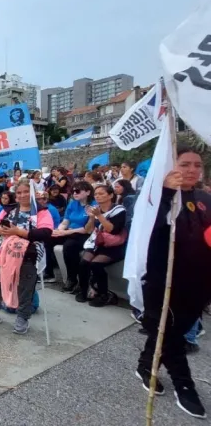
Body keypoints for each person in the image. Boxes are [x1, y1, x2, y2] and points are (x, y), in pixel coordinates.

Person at [137, 147, 211, 419]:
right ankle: (185, 386)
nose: (192, 170)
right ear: (171, 165)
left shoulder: (205, 198)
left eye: (197, 165)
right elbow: (149, 233)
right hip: (163, 282)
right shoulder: (155, 197)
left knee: (168, 332)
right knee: (171, 336)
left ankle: (145, 365)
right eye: (185, 164)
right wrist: (167, 193)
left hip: (199, 283)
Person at [0, 179, 53, 334]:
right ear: (15, 195)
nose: (22, 195)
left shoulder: (42, 212)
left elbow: (45, 233)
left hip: (29, 255)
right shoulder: (9, 209)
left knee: (25, 288)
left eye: (25, 192)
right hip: (5, 254)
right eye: (19, 192)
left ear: (33, 193)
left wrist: (19, 232)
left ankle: (23, 318)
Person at [75, 184, 126, 306]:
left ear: (111, 195)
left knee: (96, 264)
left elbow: (113, 230)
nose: (98, 196)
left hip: (113, 245)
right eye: (96, 194)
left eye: (101, 193)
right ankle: (84, 290)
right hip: (97, 243)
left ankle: (104, 295)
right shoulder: (95, 209)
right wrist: (92, 218)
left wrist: (99, 216)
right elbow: (88, 230)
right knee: (83, 262)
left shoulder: (119, 210)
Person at [50, 181, 95, 292]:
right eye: (73, 191)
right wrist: (59, 230)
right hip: (70, 232)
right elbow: (65, 222)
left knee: (69, 246)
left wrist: (65, 233)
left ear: (88, 192)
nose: (75, 193)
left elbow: (87, 229)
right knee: (48, 238)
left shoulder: (93, 205)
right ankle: (49, 272)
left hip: (85, 235)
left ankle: (72, 278)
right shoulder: (73, 203)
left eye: (78, 191)